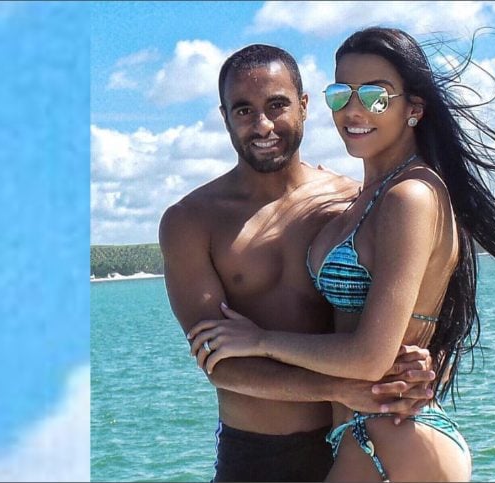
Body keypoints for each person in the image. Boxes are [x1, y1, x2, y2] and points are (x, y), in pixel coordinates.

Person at [188, 27, 495, 481]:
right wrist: (429, 358)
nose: (354, 110)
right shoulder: (359, 201)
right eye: (342, 95)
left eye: (375, 97)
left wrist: (262, 340)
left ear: (413, 107)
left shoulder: (408, 196)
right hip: (363, 436)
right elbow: (414, 313)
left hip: (392, 438)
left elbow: (373, 354)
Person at [159, 44, 436, 482]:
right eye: (244, 110)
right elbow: (221, 362)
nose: (262, 125)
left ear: (304, 106)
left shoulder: (350, 202)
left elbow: (420, 297)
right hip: (256, 457)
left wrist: (430, 362)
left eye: (277, 105)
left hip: (357, 446)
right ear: (224, 116)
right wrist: (338, 388)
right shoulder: (191, 222)